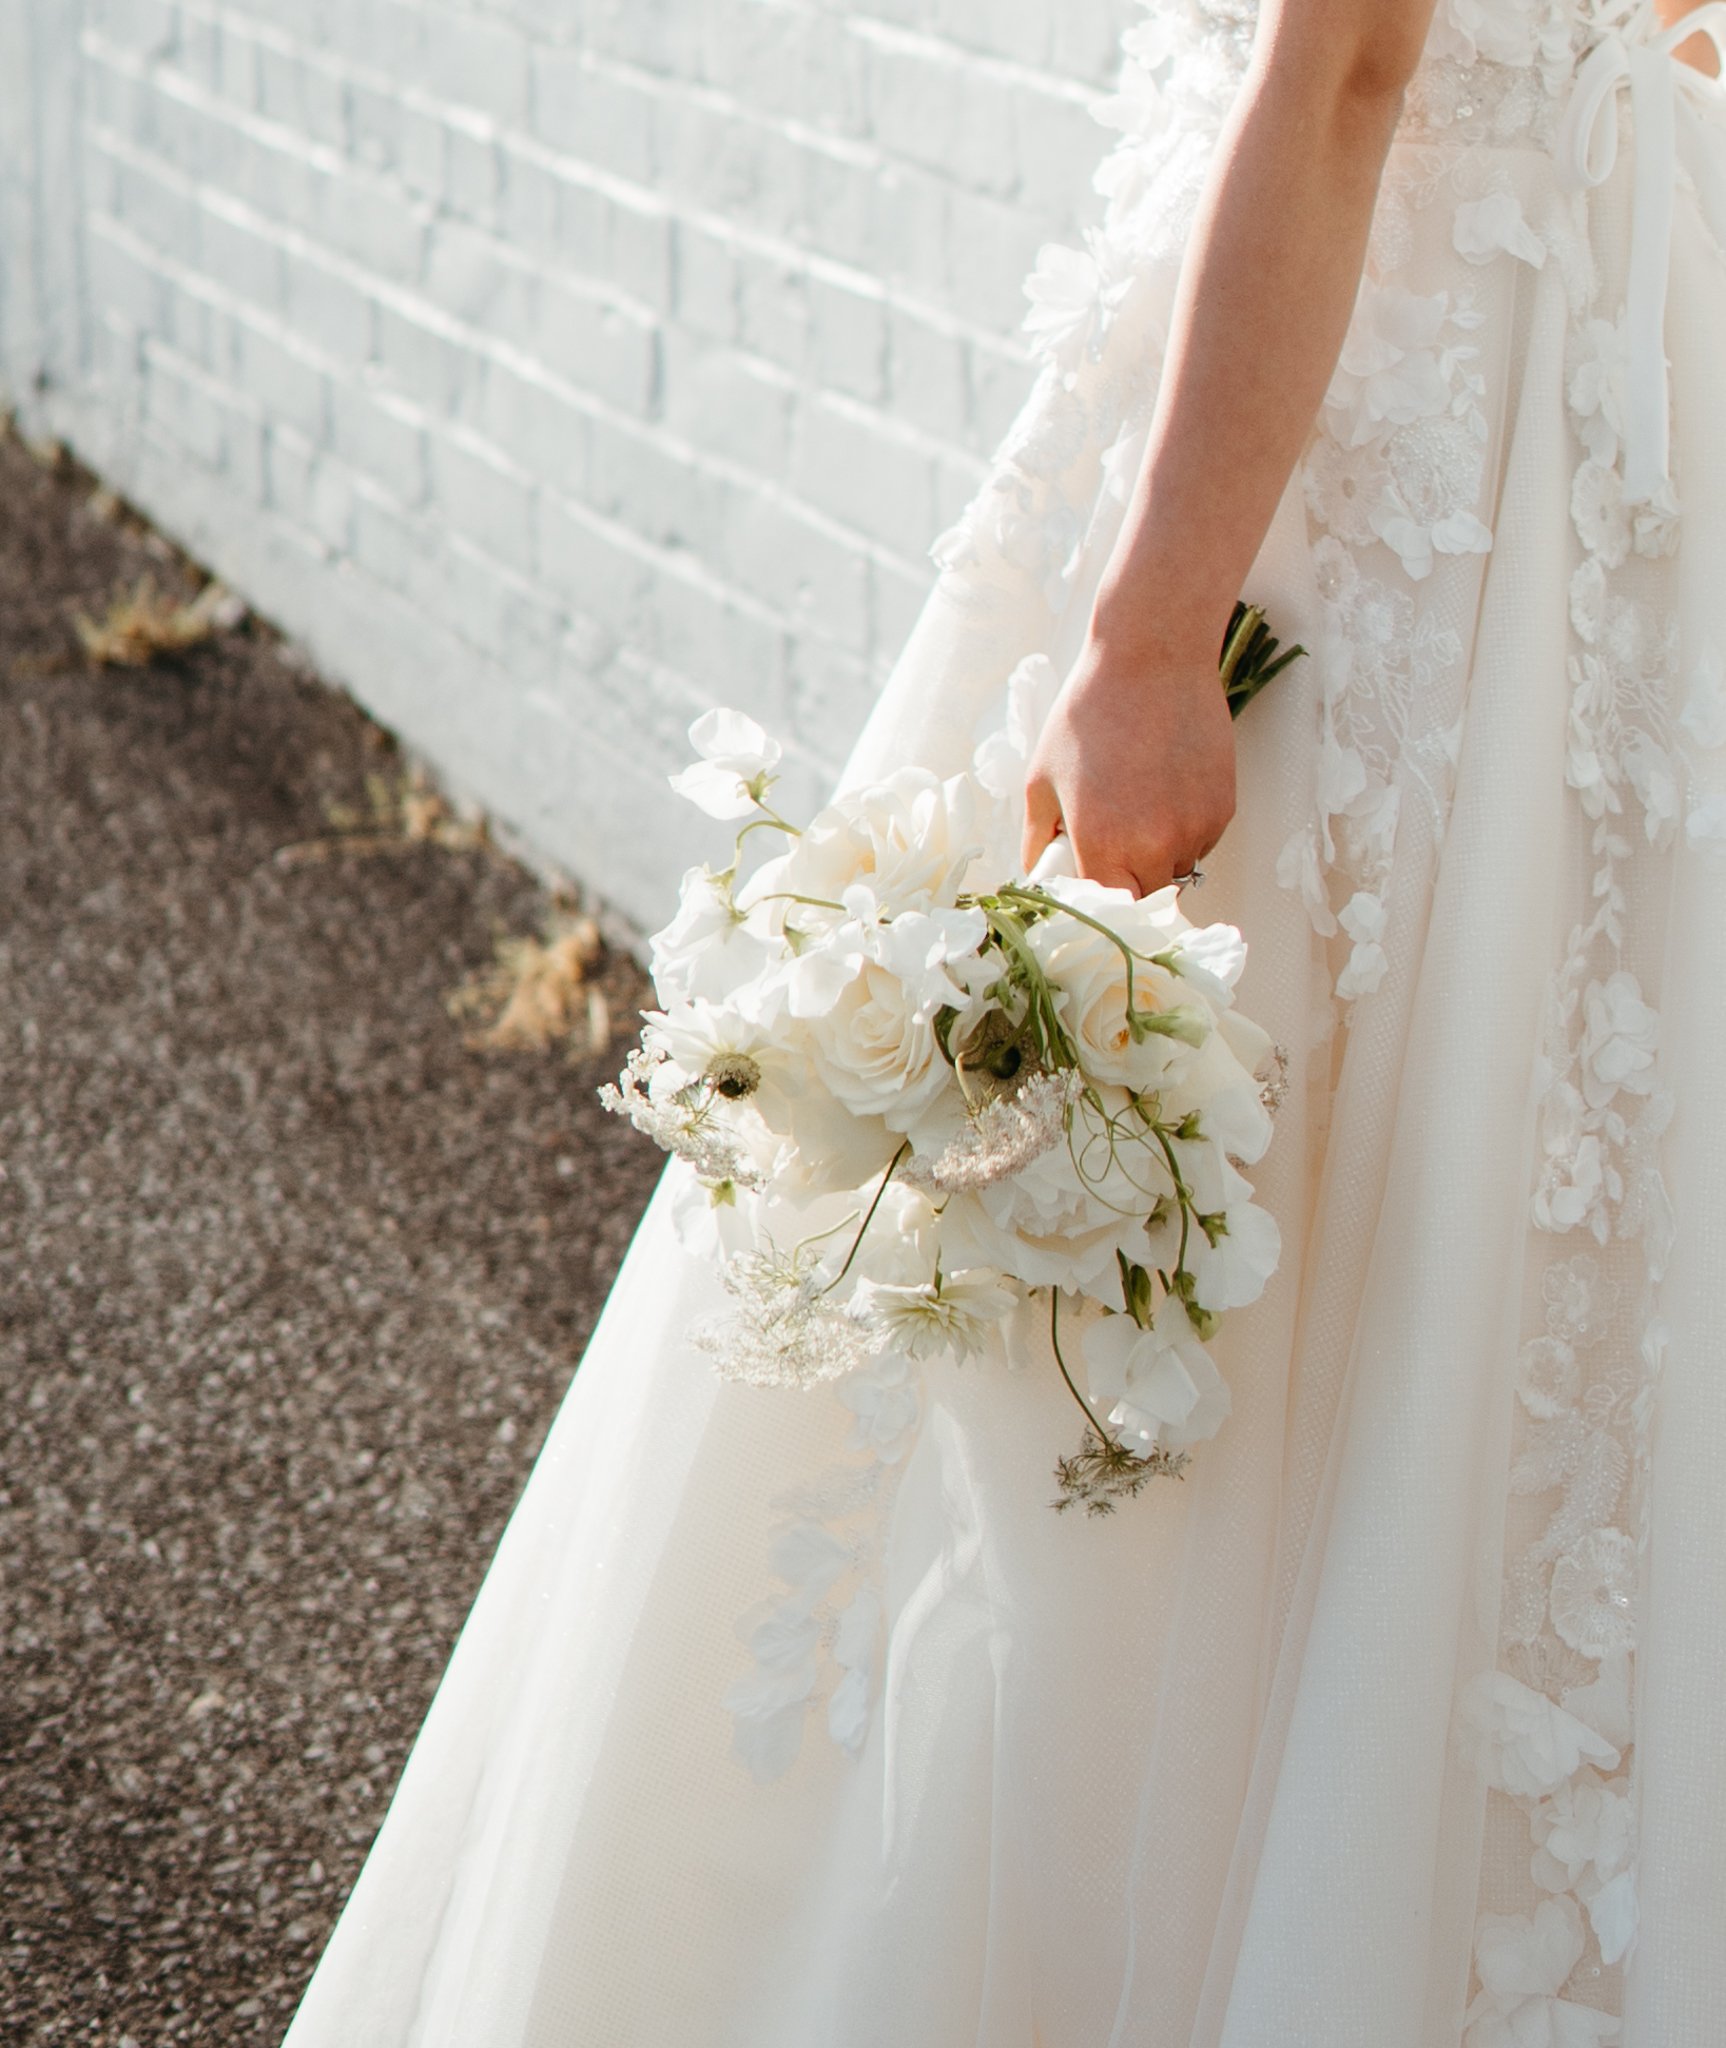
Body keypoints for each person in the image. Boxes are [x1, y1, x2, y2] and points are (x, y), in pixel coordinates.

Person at [282, 0, 1726, 2040]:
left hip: (1375, 441)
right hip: (1563, 409)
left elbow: (1339, 76)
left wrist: (1148, 633)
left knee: (1224, 1227)